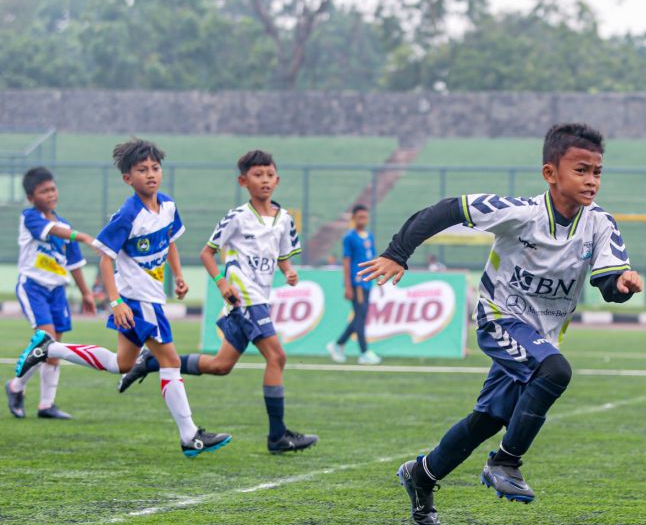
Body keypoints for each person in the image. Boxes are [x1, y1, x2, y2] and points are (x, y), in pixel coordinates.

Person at [360, 123, 644, 525]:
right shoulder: (520, 214)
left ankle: (421, 475)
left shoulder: (600, 224)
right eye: (581, 170)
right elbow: (447, 210)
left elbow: (606, 283)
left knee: (488, 419)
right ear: (550, 173)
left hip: (538, 337)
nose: (591, 180)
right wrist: (397, 253)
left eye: (597, 171)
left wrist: (622, 284)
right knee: (555, 370)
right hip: (499, 320)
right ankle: (505, 463)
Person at [14, 138, 231, 457]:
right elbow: (104, 257)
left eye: (155, 168)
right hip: (137, 299)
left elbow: (170, 241)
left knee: (122, 363)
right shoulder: (128, 214)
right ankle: (190, 436)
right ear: (128, 179)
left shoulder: (168, 205)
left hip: (149, 296)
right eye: (142, 170)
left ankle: (50, 347)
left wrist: (180, 276)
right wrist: (116, 303)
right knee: (169, 361)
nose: (151, 174)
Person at [117, 150, 317, 454]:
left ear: (277, 179)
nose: (264, 180)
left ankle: (151, 361)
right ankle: (277, 436)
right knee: (277, 357)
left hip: (260, 297)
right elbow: (207, 253)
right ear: (243, 181)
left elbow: (284, 258)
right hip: (244, 298)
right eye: (257, 175)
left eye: (269, 175)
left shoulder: (285, 220)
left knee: (221, 366)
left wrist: (289, 272)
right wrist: (222, 283)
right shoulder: (236, 217)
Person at [5, 167, 97, 420]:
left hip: (58, 291)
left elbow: (74, 265)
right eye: (43, 191)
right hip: (33, 286)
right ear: (31, 198)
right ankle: (16, 387)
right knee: (45, 339)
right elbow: (53, 231)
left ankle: (46, 404)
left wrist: (87, 294)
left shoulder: (65, 225)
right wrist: (83, 236)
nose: (50, 194)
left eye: (52, 189)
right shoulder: (30, 218)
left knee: (55, 348)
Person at [326, 205, 381, 365]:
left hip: (367, 282)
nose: (362, 220)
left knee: (360, 316)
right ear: (354, 219)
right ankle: (364, 352)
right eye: (359, 217)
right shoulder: (349, 237)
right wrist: (348, 286)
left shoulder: (369, 236)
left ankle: (338, 344)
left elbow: (373, 258)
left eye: (365, 217)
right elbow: (346, 261)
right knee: (360, 317)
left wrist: (377, 276)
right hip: (357, 283)